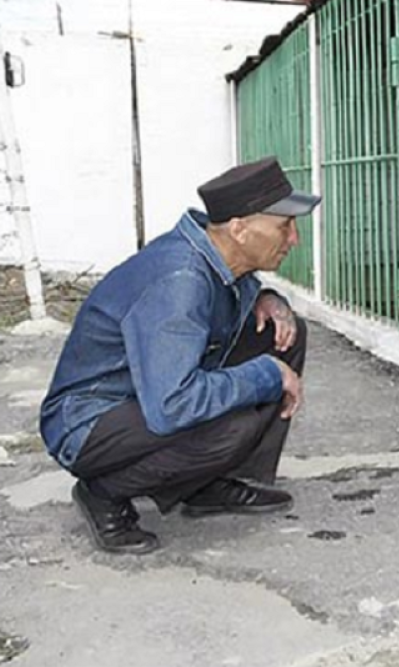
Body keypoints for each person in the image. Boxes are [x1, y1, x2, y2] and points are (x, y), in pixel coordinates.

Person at [39, 157, 321, 555]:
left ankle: (207, 486)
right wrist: (267, 375)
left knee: (284, 336)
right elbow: (174, 403)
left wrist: (265, 297)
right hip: (88, 423)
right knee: (231, 427)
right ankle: (103, 492)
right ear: (239, 229)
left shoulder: (214, 256)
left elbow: (226, 294)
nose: (294, 239)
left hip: (143, 394)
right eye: (283, 226)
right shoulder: (179, 280)